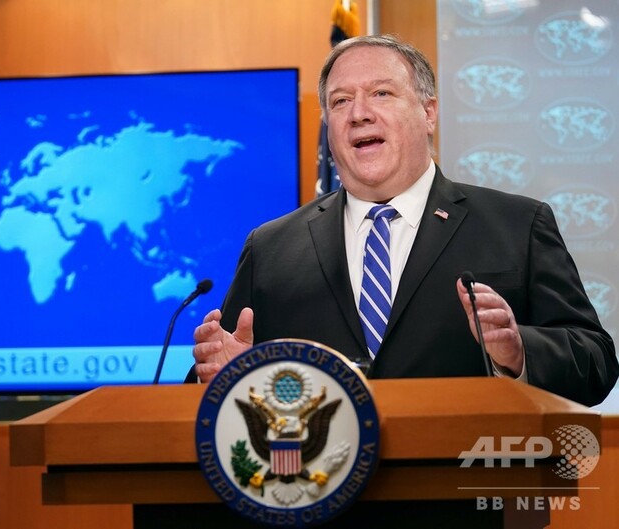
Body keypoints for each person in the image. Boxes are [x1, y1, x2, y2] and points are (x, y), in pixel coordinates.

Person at [190, 34, 618, 407]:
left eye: (381, 93)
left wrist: (520, 351)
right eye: (340, 101)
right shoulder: (272, 248)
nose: (359, 113)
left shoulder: (518, 224)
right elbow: (215, 373)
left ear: (428, 113)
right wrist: (228, 376)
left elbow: (595, 361)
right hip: (320, 473)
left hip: (466, 472)